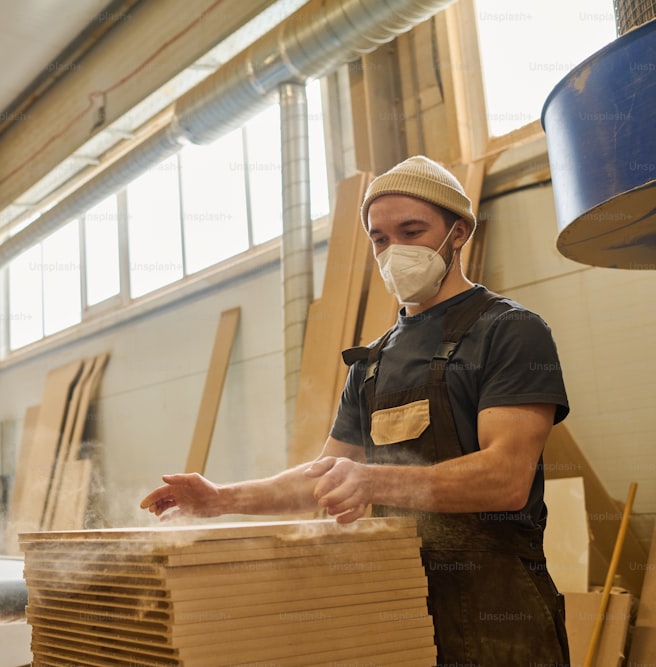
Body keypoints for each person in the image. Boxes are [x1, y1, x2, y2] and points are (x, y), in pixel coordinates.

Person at [140, 155, 570, 665]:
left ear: (458, 233)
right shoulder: (372, 361)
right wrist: (219, 499)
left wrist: (373, 482)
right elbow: (325, 477)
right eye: (380, 239)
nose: (395, 250)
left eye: (412, 231)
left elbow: (505, 479)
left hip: (501, 610)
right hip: (399, 602)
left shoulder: (509, 331)